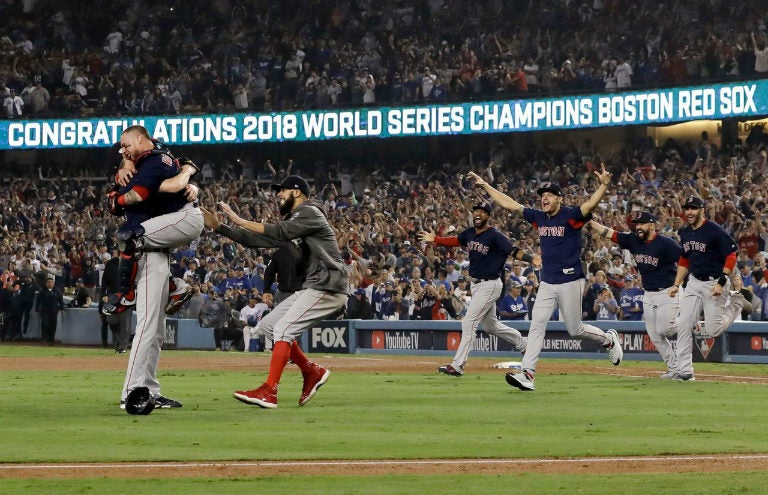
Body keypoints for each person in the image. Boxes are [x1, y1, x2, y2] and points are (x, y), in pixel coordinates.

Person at [467, 166, 623, 392]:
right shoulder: (539, 217)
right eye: (542, 195)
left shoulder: (570, 216)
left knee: (574, 329)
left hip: (570, 279)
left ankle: (608, 339)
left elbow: (590, 206)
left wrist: (604, 185)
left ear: (560, 198)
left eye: (549, 195)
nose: (544, 198)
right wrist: (485, 185)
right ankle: (527, 373)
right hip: (548, 281)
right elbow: (509, 203)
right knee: (536, 325)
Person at [202, 175, 348, 409]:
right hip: (314, 285)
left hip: (328, 283)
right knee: (269, 327)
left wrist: (238, 219)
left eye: (283, 190)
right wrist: (220, 227)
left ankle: (269, 391)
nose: (278, 194)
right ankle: (311, 371)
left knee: (284, 329)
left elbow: (278, 231)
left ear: (297, 192)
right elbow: (254, 240)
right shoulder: (295, 221)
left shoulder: (310, 212)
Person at [110, 125, 204, 413]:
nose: (122, 151)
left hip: (162, 236)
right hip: (150, 250)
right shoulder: (139, 162)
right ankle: (137, 391)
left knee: (156, 328)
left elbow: (153, 187)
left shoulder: (154, 161)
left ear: (139, 140)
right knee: (151, 326)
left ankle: (146, 389)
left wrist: (187, 175)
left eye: (126, 146)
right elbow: (142, 189)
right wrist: (126, 166)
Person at [419, 200, 535, 376]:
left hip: (490, 284)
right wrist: (435, 239)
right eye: (476, 211)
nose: (478, 214)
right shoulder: (470, 233)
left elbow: (513, 251)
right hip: (477, 285)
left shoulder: (495, 235)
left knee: (469, 322)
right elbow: (455, 240)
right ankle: (524, 344)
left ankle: (458, 365)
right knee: (490, 326)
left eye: (482, 211)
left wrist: (531, 258)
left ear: (488, 216)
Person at [669, 195, 745, 381]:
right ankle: (685, 370)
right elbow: (684, 259)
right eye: (687, 208)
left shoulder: (714, 230)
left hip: (714, 282)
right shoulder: (685, 232)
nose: (689, 212)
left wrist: (721, 281)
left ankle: (736, 303)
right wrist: (676, 284)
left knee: (712, 331)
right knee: (684, 324)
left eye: (693, 208)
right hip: (694, 282)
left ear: (701, 210)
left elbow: (731, 255)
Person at [35, 276, 64, 344]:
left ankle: (51, 340)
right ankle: (44, 338)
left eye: (51, 282)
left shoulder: (57, 291)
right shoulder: (42, 291)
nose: (50, 284)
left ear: (53, 283)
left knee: (53, 325)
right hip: (44, 311)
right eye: (48, 282)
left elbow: (61, 301)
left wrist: (62, 308)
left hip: (53, 311)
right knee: (44, 324)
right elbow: (38, 301)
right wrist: (37, 308)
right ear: (46, 283)